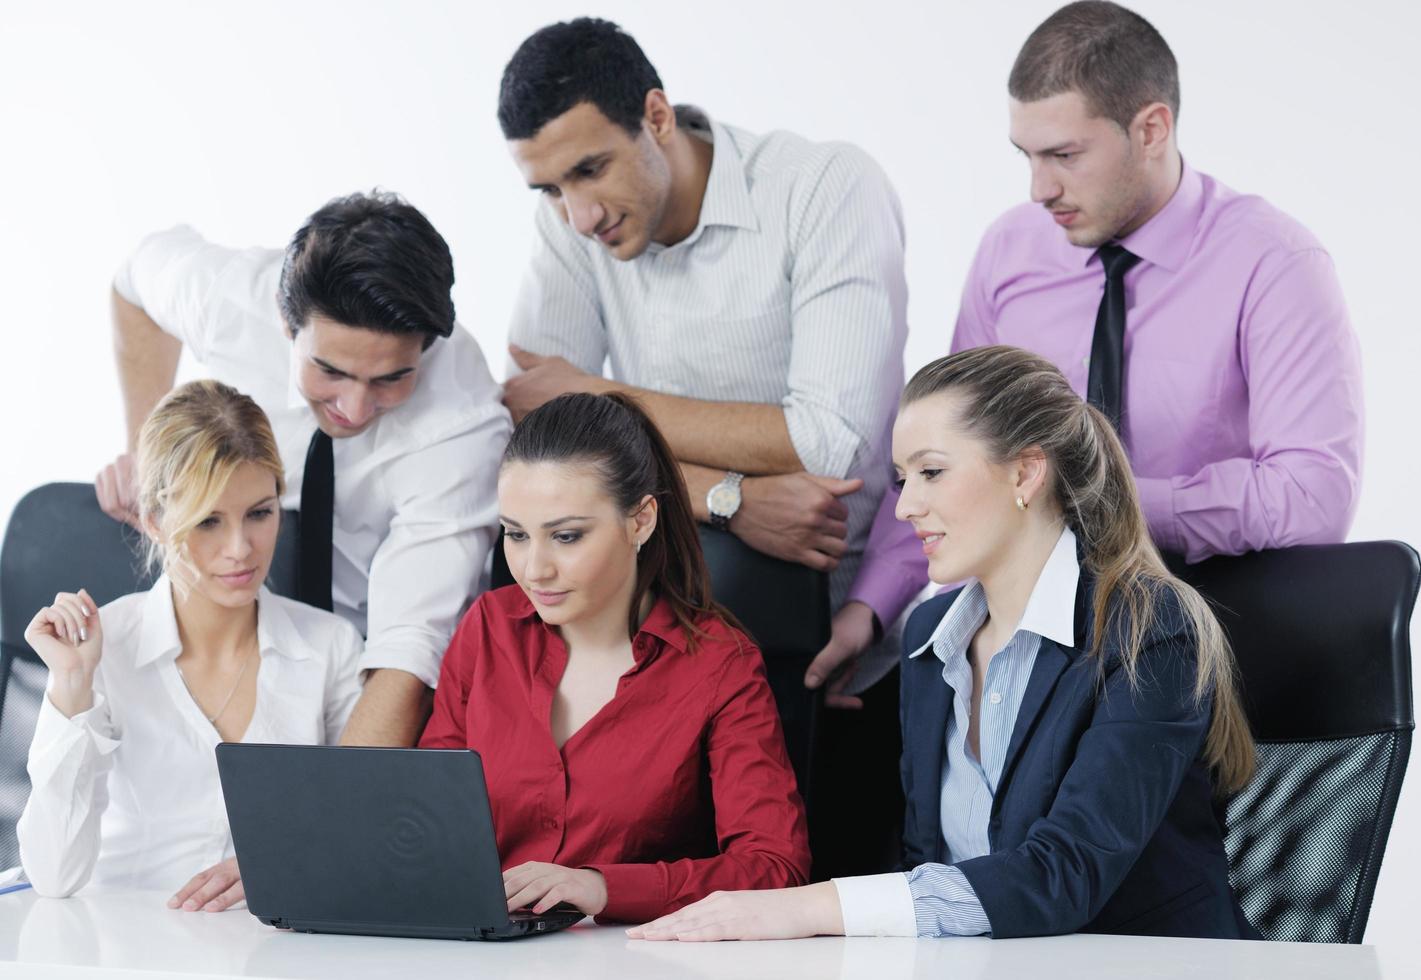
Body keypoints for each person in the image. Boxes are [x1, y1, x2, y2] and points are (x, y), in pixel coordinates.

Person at [809, 0, 1365, 705]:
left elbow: (1314, 494)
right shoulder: (1011, 250)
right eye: (1027, 157)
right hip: (1030, 654)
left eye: (1064, 156)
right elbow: (943, 452)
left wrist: (1104, 506)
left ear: (1151, 129)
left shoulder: (1274, 263)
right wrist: (870, 611)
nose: (1040, 189)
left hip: (1209, 644)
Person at [627, 346, 1257, 941]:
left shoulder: (1148, 627)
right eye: (902, 480)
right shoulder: (931, 640)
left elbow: (1065, 873)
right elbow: (931, 865)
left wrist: (803, 908)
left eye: (931, 472)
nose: (906, 508)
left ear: (1026, 472)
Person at [497, 15, 908, 874]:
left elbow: (827, 444)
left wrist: (599, 394)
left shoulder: (824, 187)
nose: (577, 214)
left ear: (655, 117)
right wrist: (729, 496)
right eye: (547, 190)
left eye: (589, 170)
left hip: (829, 599)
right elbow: (543, 437)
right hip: (687, 579)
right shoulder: (576, 226)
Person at [96, 191, 510, 746]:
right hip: (249, 633)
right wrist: (147, 453)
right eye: (330, 370)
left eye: (391, 378)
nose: (355, 408)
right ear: (287, 326)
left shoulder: (462, 422)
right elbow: (134, 282)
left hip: (374, 663)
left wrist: (326, 821)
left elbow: (407, 655)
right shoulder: (232, 301)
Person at [418, 392, 810, 922]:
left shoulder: (720, 665)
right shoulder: (487, 629)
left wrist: (604, 888)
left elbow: (775, 867)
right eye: (515, 534)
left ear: (641, 521)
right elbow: (425, 818)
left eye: (566, 536)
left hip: (634, 961)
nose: (534, 570)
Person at [18, 381, 362, 909]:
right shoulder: (104, 649)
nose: (241, 549)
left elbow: (360, 838)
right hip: (127, 942)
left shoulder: (329, 649)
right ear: (155, 521)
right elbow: (54, 874)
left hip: (271, 949)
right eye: (208, 522)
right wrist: (72, 685)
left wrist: (287, 862)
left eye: (260, 513)